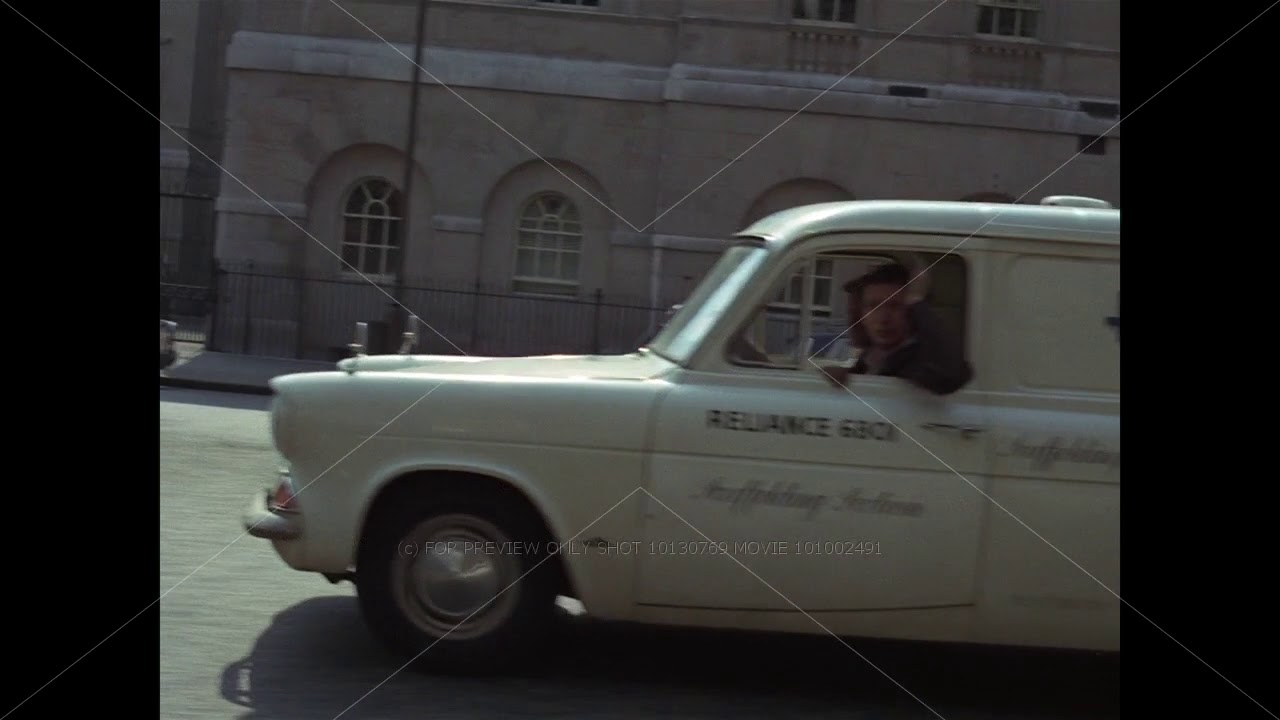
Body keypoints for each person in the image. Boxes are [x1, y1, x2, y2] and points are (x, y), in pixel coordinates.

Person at [821, 261, 972, 395]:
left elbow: (950, 375)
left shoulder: (917, 359)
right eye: (873, 306)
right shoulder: (870, 357)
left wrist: (916, 301)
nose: (883, 319)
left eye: (895, 306)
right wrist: (844, 375)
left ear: (911, 312)